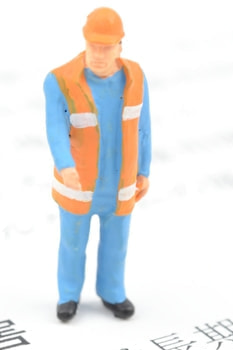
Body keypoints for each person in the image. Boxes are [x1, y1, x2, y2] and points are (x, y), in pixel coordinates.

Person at [44, 7, 152, 322]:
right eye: (93, 46)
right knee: (72, 242)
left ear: (120, 46)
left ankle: (113, 292)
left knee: (117, 243)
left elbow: (144, 128)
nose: (99, 55)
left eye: (106, 47)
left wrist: (144, 170)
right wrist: (65, 166)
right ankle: (68, 295)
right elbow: (55, 129)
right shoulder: (60, 81)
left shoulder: (135, 77)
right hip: (78, 184)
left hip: (119, 184)